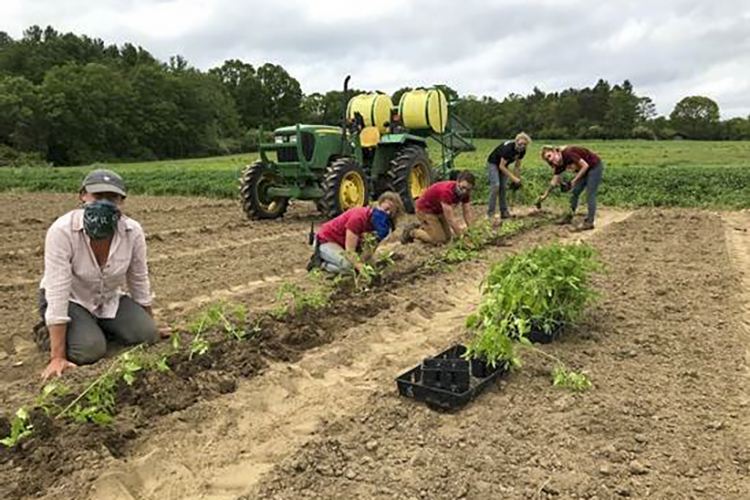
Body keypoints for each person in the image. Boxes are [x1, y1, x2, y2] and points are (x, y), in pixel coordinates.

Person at [36, 169, 162, 380]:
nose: (104, 203)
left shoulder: (132, 231)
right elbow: (57, 290)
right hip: (71, 299)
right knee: (88, 351)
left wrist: (149, 324)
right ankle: (46, 333)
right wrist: (57, 356)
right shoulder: (62, 231)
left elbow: (138, 278)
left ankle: (93, 327)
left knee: (148, 336)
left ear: (122, 200)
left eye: (112, 198)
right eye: (97, 196)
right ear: (83, 196)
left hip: (107, 298)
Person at [308, 191, 404, 273]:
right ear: (378, 205)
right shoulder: (359, 217)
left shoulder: (380, 228)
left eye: (391, 213)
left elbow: (369, 250)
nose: (387, 214)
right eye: (386, 209)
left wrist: (365, 264)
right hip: (326, 240)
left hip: (342, 244)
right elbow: (350, 250)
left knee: (365, 264)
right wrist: (360, 267)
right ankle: (320, 264)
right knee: (348, 267)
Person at [537, 145, 605, 230]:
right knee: (575, 192)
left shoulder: (568, 153)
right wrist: (545, 195)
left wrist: (574, 181)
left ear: (555, 151)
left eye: (549, 156)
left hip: (594, 167)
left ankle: (589, 222)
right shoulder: (559, 164)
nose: (550, 160)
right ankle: (569, 217)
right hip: (583, 170)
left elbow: (585, 166)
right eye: (547, 159)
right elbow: (554, 181)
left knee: (590, 194)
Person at [401, 171, 476, 245]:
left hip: (438, 211)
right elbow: (450, 219)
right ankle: (412, 232)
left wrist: (472, 230)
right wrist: (461, 236)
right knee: (439, 240)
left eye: (468, 189)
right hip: (425, 210)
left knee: (448, 238)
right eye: (463, 187)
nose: (464, 191)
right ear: (458, 182)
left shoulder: (466, 194)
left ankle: (427, 229)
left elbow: (467, 212)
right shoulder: (447, 192)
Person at [486, 132, 530, 219]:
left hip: (504, 165)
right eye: (520, 144)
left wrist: (517, 178)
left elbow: (517, 166)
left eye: (524, 144)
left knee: (503, 187)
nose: (522, 146)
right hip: (493, 163)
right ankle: (490, 213)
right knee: (496, 185)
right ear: (516, 141)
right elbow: (501, 166)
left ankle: (504, 211)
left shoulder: (522, 152)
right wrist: (513, 178)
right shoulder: (508, 149)